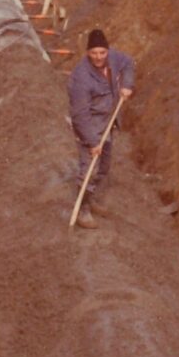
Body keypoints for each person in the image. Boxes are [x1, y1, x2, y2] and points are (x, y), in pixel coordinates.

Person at [67, 28, 135, 229]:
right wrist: (92, 142)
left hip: (107, 122)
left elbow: (129, 63)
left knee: (103, 167)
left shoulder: (113, 58)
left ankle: (92, 198)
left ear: (107, 51)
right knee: (89, 169)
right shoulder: (81, 77)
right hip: (89, 126)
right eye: (94, 53)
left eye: (102, 52)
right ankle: (83, 209)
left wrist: (127, 85)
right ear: (88, 52)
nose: (98, 57)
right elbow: (80, 115)